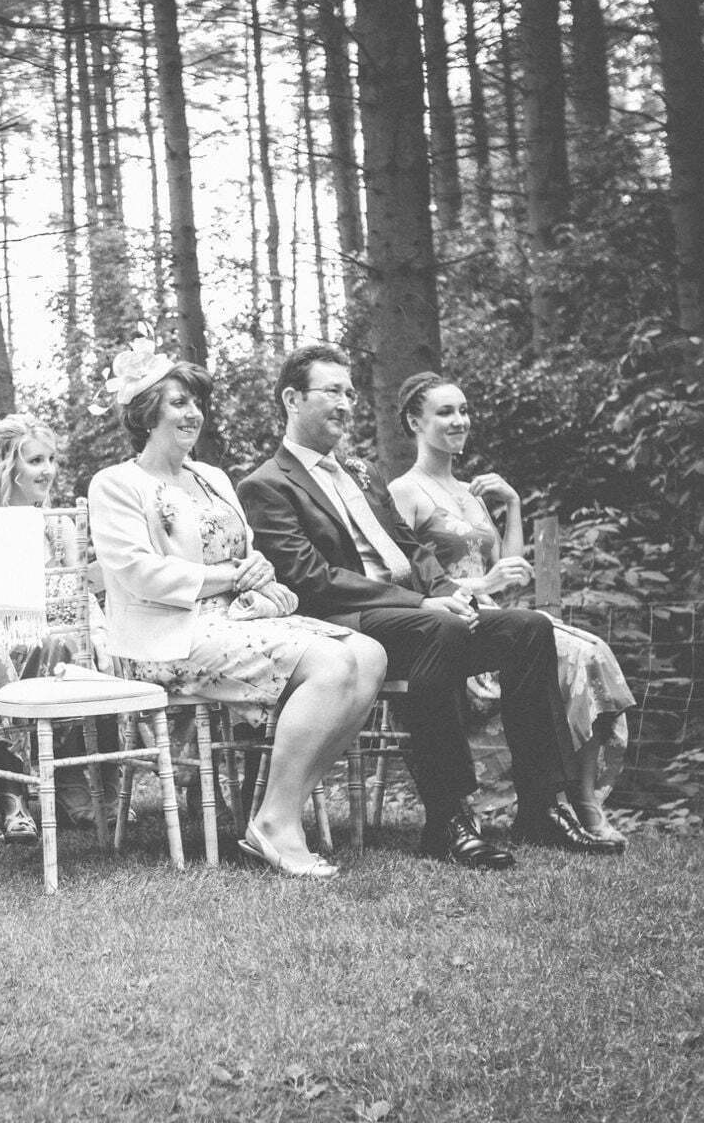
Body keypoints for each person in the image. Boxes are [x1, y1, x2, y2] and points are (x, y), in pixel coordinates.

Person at [237, 343, 624, 869]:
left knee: (529, 628)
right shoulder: (266, 485)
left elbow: (411, 549)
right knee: (435, 632)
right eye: (333, 391)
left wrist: (449, 593)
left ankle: (538, 805)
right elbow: (312, 579)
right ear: (291, 399)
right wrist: (423, 604)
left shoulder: (362, 473)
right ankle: (448, 817)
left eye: (350, 393)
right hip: (343, 626)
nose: (347, 404)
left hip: (413, 612)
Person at [89, 352, 385, 879]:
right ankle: (274, 826)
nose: (193, 413)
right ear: (145, 413)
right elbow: (138, 573)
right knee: (332, 665)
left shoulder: (212, 478)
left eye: (196, 402)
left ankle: (279, 810)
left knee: (370, 653)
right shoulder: (116, 484)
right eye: (179, 402)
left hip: (237, 618)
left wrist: (255, 568)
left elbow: (248, 552)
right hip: (166, 634)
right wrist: (229, 576)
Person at [388, 372, 636, 847]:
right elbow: (407, 577)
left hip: (500, 617)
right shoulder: (405, 491)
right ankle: (560, 804)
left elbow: (508, 568)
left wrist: (515, 506)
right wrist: (481, 584)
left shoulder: (472, 492)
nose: (460, 420)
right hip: (454, 621)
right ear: (414, 421)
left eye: (463, 410)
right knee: (574, 654)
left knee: (593, 653)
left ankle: (579, 803)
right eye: (445, 412)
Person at [0, 412, 108, 833]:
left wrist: (98, 629)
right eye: (35, 461)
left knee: (75, 645)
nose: (48, 470)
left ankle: (72, 777)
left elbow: (77, 591)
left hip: (57, 632)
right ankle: (14, 795)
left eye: (51, 459)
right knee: (31, 648)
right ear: (6, 465)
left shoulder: (59, 524)